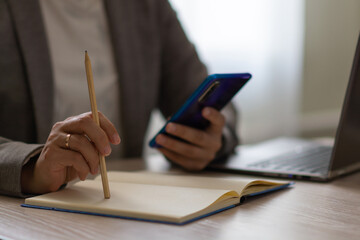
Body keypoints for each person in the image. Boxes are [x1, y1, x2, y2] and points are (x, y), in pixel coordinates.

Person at [0, 0, 238, 197]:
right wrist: (31, 169)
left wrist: (212, 137)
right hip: (29, 217)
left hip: (128, 208)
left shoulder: (147, 6)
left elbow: (209, 97)